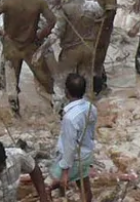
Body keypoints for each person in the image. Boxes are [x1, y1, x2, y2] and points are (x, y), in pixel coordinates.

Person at [0, 0, 57, 116]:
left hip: (11, 46)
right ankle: (56, 110)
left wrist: (1, 33)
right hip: (31, 44)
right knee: (45, 81)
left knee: (11, 83)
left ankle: (15, 114)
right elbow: (52, 21)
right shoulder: (38, 2)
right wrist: (40, 35)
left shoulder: (7, 2)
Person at [38, 0, 104, 110]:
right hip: (89, 49)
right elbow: (102, 19)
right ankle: (87, 110)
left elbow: (57, 32)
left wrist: (43, 48)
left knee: (61, 82)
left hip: (71, 51)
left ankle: (59, 111)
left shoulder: (65, 10)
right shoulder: (95, 7)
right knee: (87, 81)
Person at [49, 73, 97, 202]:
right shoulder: (91, 108)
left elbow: (69, 146)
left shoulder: (70, 118)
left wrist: (65, 173)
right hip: (86, 155)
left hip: (74, 160)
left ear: (66, 92)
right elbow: (92, 133)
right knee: (85, 188)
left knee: (47, 186)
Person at [84, 0, 118, 95]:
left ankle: (98, 88)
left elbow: (111, 10)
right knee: (91, 56)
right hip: (90, 25)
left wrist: (104, 29)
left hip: (101, 26)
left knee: (97, 58)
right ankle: (99, 83)